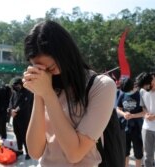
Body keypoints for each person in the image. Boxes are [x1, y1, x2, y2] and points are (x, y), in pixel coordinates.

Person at [23, 20, 116, 166]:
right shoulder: (46, 87)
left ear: (65, 54)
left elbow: (75, 153)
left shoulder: (101, 86)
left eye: (50, 68)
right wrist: (38, 92)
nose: (46, 74)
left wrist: (47, 94)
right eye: (38, 69)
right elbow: (35, 152)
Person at [116, 78, 145, 167]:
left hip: (137, 127)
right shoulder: (122, 94)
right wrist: (124, 114)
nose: (126, 92)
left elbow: (144, 112)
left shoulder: (140, 94)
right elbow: (118, 108)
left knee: (138, 151)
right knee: (125, 151)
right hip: (124, 126)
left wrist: (133, 115)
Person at [7, 77, 33, 160]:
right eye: (14, 86)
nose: (15, 87)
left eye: (17, 85)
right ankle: (20, 149)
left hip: (24, 117)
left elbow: (24, 103)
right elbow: (11, 101)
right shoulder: (15, 92)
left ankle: (29, 152)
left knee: (25, 135)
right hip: (15, 116)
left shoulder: (27, 92)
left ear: (21, 84)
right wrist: (10, 110)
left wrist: (15, 110)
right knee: (17, 133)